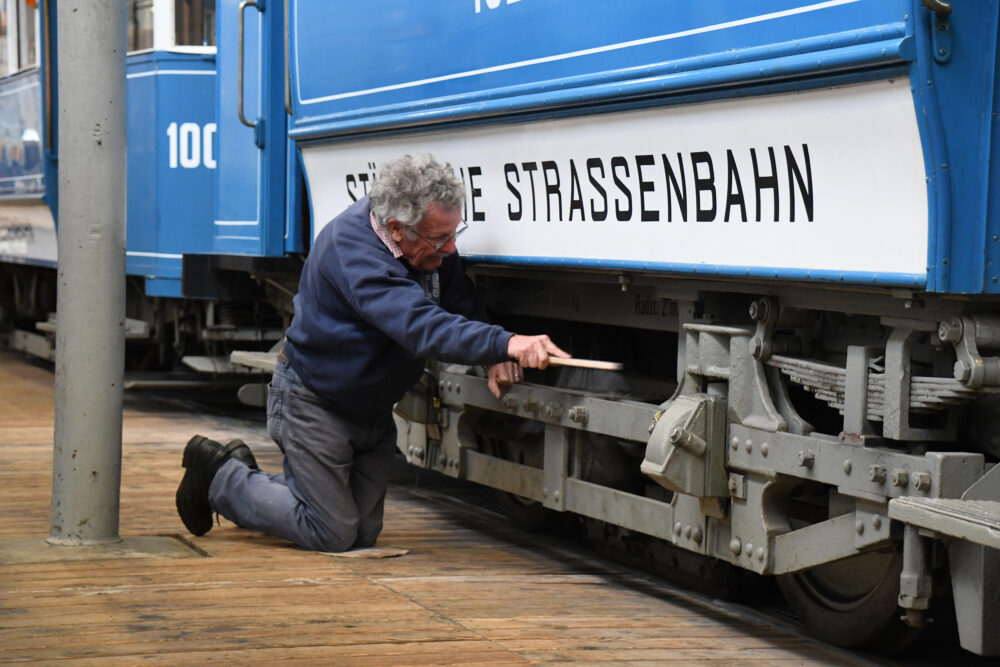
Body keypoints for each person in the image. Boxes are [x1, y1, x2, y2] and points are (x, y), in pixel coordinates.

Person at [176, 153, 568, 551]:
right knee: (332, 532)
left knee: (361, 532)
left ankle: (252, 478)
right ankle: (219, 476)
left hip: (372, 411)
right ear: (397, 229)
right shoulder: (352, 249)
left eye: (454, 234)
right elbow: (418, 325)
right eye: (440, 239)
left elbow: (457, 298)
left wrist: (491, 356)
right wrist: (507, 342)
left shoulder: (427, 242)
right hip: (315, 403)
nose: (451, 248)